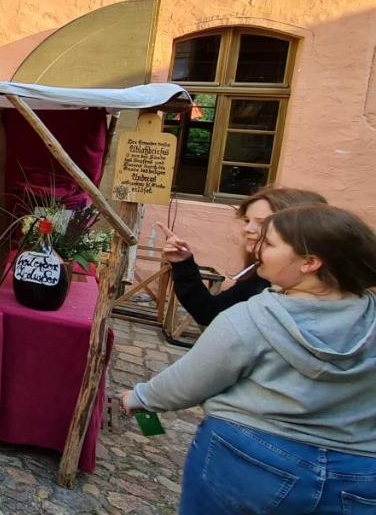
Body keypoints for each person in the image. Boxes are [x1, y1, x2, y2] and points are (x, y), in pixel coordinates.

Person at [123, 204, 376, 514]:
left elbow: (190, 381)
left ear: (309, 262)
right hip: (358, 472)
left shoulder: (252, 318)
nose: (258, 248)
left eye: (269, 244)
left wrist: (139, 398)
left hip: (251, 458)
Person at [159, 187, 327, 326]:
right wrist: (183, 264)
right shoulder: (261, 274)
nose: (247, 229)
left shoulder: (320, 300)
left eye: (263, 223)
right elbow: (209, 313)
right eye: (247, 220)